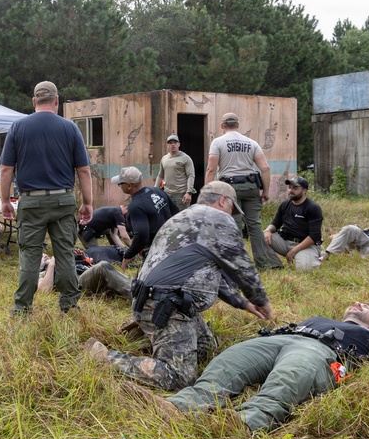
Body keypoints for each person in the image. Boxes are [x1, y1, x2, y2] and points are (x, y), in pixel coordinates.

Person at [84, 181, 273, 392]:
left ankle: (151, 336)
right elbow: (243, 267)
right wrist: (261, 300)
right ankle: (105, 358)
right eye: (231, 209)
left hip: (162, 301)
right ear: (223, 200)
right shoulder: (218, 219)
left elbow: (212, 279)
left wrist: (244, 303)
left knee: (206, 348)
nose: (232, 215)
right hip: (164, 305)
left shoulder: (184, 219)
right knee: (181, 377)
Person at [126, 303, 369, 433]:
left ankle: (242, 424)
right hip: (277, 339)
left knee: (290, 378)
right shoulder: (318, 318)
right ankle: (179, 406)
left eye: (366, 306)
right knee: (227, 363)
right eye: (356, 302)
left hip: (322, 352)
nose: (357, 303)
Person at [0, 81, 93, 315]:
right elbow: (83, 170)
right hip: (63, 201)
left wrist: (4, 200)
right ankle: (70, 306)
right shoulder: (70, 128)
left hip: (31, 202)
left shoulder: (18, 127)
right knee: (65, 255)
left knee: (30, 256)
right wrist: (88, 203)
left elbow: (5, 170)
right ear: (56, 101)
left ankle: (22, 309)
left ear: (34, 102)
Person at [204, 112, 281, 270]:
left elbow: (211, 169)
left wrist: (208, 194)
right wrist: (265, 192)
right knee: (255, 225)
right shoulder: (251, 143)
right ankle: (263, 264)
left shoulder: (218, 142)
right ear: (237, 125)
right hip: (251, 187)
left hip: (230, 188)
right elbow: (265, 168)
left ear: (222, 125)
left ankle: (238, 265)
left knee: (234, 225)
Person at [112, 166, 178, 271]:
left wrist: (128, 255)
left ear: (129, 186)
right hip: (172, 245)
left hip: (156, 252)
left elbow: (142, 236)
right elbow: (176, 213)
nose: (119, 186)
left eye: (120, 184)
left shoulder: (135, 206)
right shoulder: (157, 191)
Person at [263, 176, 323, 271]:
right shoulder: (284, 205)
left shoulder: (313, 207)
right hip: (286, 242)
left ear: (304, 190)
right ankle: (276, 266)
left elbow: (314, 236)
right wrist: (267, 230)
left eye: (295, 188)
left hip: (306, 245)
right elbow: (275, 223)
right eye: (290, 187)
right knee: (261, 236)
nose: (291, 190)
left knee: (304, 269)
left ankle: (315, 257)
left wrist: (293, 251)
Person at [38, 254, 132, 300]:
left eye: (45, 255)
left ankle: (138, 288)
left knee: (127, 279)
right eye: (40, 257)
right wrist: (52, 264)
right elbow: (44, 291)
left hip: (89, 276)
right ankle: (136, 294)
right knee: (103, 266)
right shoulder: (41, 274)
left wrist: (84, 259)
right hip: (78, 285)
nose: (45, 256)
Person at [155, 134, 196, 210]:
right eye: (170, 143)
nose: (173, 144)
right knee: (168, 217)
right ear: (167, 145)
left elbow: (191, 176)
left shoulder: (185, 158)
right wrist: (155, 189)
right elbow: (160, 175)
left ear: (179, 144)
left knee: (182, 217)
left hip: (181, 195)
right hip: (167, 194)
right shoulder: (164, 159)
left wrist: (189, 192)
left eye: (175, 142)